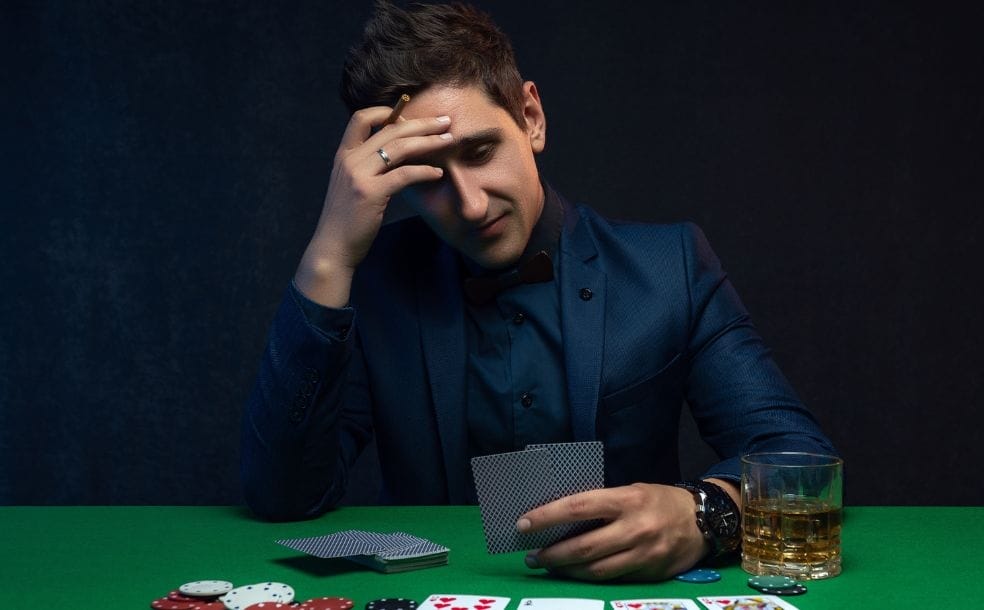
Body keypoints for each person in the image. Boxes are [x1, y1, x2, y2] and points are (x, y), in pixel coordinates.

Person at [242, 0, 836, 582]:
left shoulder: (669, 266)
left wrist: (704, 511)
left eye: (480, 152)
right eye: (428, 176)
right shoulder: (370, 280)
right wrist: (329, 254)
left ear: (531, 118)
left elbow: (797, 457)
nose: (471, 204)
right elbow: (283, 496)